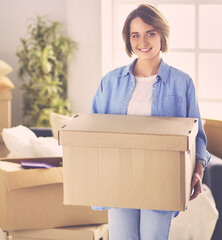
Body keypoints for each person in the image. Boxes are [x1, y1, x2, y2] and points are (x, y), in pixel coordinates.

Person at [90, 4, 211, 240]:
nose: (142, 41)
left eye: (150, 33)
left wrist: (198, 169)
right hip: (119, 178)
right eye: (135, 34)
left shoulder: (182, 82)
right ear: (128, 39)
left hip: (162, 178)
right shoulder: (111, 81)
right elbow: (93, 132)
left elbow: (196, 136)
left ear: (162, 36)